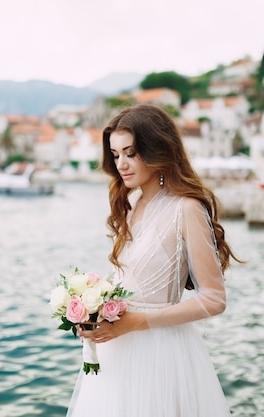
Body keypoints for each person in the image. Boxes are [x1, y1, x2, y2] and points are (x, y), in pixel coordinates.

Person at [66, 104, 242, 417]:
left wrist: (138, 321)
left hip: (162, 355)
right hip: (118, 355)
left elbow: (215, 299)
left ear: (157, 149)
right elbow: (131, 282)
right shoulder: (132, 205)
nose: (121, 163)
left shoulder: (186, 209)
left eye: (130, 153)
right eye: (116, 154)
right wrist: (97, 313)